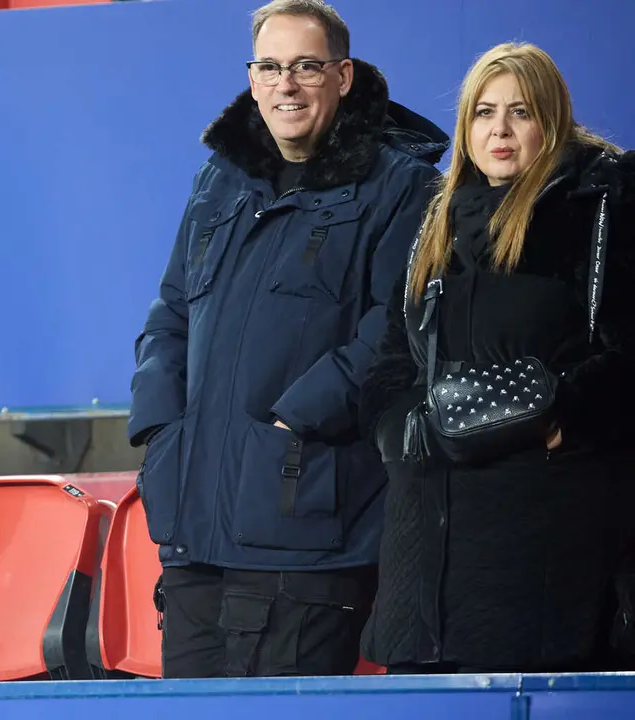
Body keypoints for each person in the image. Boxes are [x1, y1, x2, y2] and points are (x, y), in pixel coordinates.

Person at [127, 0, 449, 678]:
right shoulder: (220, 179)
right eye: (270, 67)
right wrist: (161, 424)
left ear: (343, 75)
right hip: (194, 533)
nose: (287, 85)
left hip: (305, 528)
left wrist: (291, 423)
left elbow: (397, 328)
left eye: (306, 66)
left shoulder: (404, 185)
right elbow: (172, 309)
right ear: (252, 78)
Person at [358, 42, 635, 673]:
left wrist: (562, 413)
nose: (500, 131)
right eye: (484, 113)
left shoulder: (601, 210)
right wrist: (398, 429)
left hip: (547, 544)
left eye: (521, 112)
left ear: (553, 121)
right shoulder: (437, 223)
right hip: (424, 546)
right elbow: (392, 361)